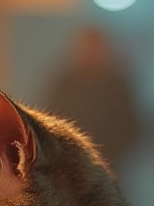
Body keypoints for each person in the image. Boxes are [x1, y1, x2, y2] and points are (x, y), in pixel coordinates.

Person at [43, 25, 142, 179]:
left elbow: (131, 125)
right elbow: (50, 119)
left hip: (111, 165)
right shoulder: (66, 84)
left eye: (96, 48)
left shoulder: (117, 85)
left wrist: (114, 151)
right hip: (71, 166)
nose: (92, 53)